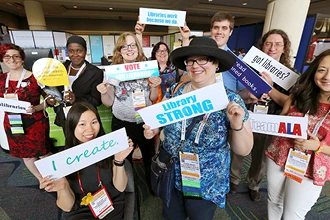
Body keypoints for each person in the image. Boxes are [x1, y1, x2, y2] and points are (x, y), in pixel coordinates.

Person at [143, 37, 253, 220]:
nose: (195, 65)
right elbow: (160, 121)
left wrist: (236, 125)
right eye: (191, 60)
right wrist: (153, 129)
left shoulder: (230, 101)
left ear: (216, 63)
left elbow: (244, 149)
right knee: (171, 215)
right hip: (172, 172)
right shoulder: (175, 90)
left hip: (206, 181)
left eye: (203, 59)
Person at [265, 49, 330, 220]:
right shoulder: (297, 96)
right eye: (322, 70)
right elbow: (280, 123)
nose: (327, 77)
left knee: (292, 215)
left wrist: (318, 146)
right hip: (279, 154)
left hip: (310, 165)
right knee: (274, 203)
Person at [39, 102, 134, 220]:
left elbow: (120, 188)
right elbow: (67, 207)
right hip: (79, 211)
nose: (90, 129)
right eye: (82, 124)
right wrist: (62, 187)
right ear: (72, 126)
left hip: (110, 205)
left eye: (94, 122)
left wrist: (119, 161)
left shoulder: (110, 148)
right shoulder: (61, 160)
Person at [230, 29, 293, 201]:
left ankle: (254, 184)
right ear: (262, 46)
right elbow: (238, 92)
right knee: (238, 151)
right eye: (268, 43)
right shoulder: (250, 67)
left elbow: (290, 102)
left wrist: (268, 88)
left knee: (261, 156)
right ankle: (233, 181)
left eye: (277, 44)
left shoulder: (291, 75)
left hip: (271, 120)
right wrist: (248, 94)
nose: (272, 48)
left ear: (284, 48)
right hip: (248, 115)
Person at [96, 32, 161, 190]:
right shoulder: (113, 72)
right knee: (124, 158)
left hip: (144, 122)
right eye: (125, 46)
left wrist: (154, 87)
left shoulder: (148, 68)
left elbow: (152, 98)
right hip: (121, 122)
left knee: (148, 156)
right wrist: (103, 92)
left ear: (138, 49)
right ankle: (127, 188)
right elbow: (108, 102)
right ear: (119, 50)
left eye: (132, 45)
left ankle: (151, 187)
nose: (129, 49)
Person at [0, 43, 51, 181]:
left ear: (22, 58)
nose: (11, 60)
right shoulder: (1, 79)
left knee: (43, 154)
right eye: (7, 56)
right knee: (26, 155)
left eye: (16, 56)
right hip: (13, 123)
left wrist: (36, 108)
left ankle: (54, 178)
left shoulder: (36, 78)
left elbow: (51, 99)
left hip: (35, 123)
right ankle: (41, 179)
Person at [48, 36, 103, 131]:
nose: (75, 54)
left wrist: (76, 99)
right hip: (65, 116)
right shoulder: (60, 68)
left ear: (85, 51)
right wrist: (51, 98)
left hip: (85, 118)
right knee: (70, 144)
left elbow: (96, 101)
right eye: (71, 51)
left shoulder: (95, 72)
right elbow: (54, 90)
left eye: (79, 51)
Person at [181, 11, 245, 92]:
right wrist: (201, 72)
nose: (219, 32)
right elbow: (182, 81)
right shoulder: (196, 54)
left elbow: (242, 93)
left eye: (224, 28)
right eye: (216, 27)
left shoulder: (238, 60)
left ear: (230, 32)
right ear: (211, 30)